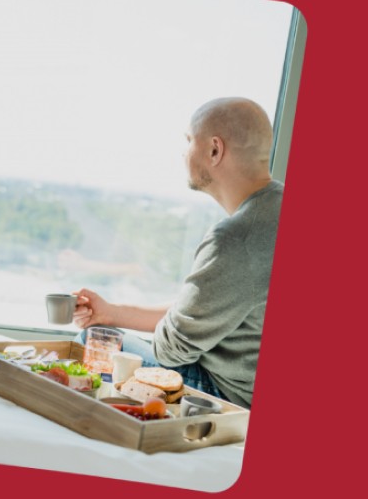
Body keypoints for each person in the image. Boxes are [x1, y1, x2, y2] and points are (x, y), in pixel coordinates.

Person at [70, 96, 284, 407]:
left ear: (214, 149)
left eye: (188, 141)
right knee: (104, 329)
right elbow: (201, 312)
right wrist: (110, 312)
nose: (183, 153)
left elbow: (170, 350)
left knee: (94, 341)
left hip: (232, 397)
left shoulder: (237, 238)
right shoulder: (274, 212)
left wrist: (107, 325)